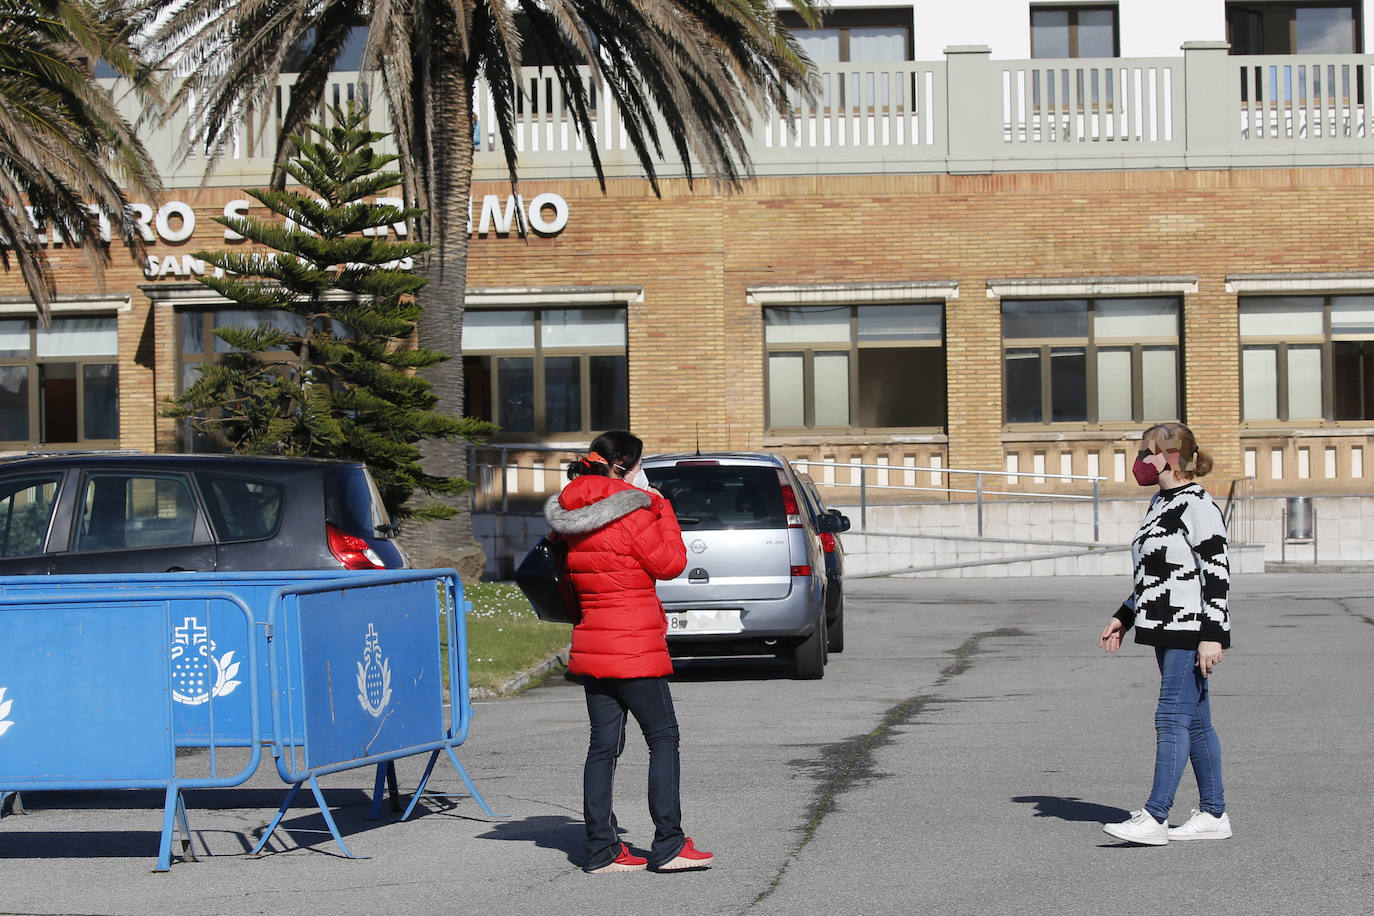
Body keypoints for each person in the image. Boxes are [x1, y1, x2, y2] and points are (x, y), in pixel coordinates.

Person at [544, 430, 715, 874]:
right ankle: (670, 843)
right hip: (634, 642)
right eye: (639, 464)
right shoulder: (636, 508)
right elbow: (671, 563)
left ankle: (601, 849)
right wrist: (660, 505)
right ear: (624, 466)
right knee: (663, 739)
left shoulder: (567, 507)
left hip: (593, 641)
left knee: (603, 747)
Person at [1100, 422, 1232, 845]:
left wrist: (1214, 636)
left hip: (1189, 628)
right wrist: (1125, 614)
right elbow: (1154, 573)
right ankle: (1214, 814)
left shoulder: (1199, 505)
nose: (1139, 461)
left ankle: (1156, 817)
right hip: (1161, 626)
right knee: (1194, 722)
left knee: (1170, 717)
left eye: (1145, 453)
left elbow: (1217, 574)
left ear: (1169, 458)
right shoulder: (1160, 501)